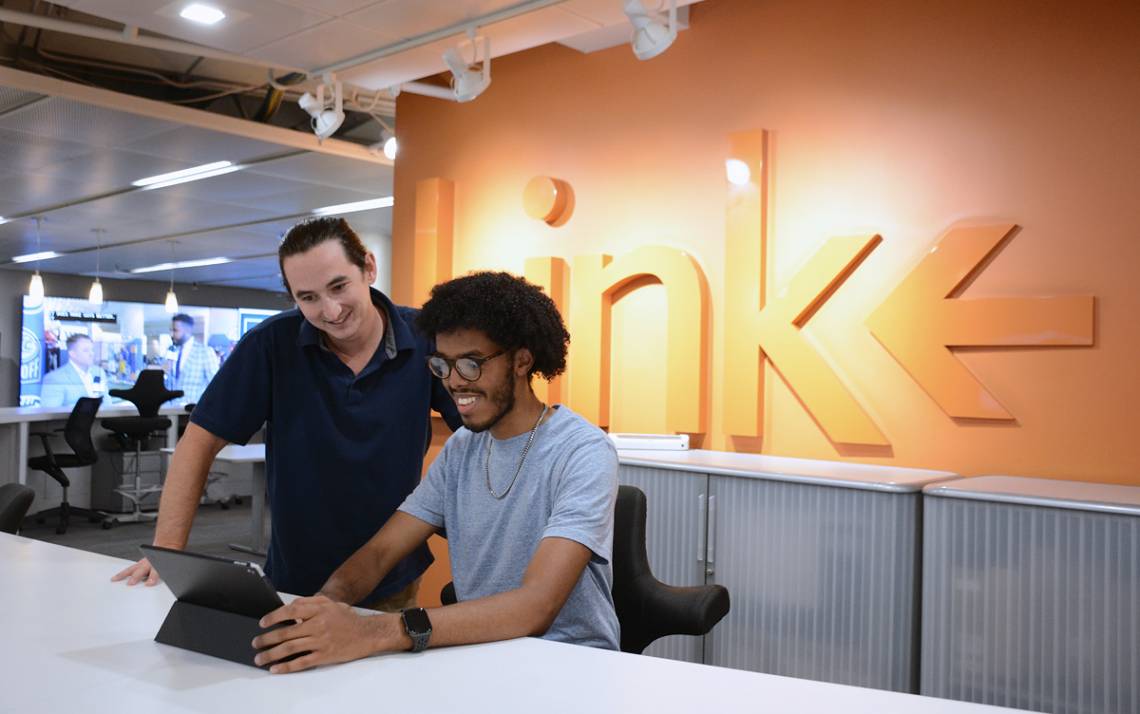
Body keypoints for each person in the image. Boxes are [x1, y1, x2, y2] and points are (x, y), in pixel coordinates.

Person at [251, 272, 620, 674]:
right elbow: (379, 554)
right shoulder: (462, 449)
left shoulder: (582, 451)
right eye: (442, 365)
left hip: (574, 664)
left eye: (471, 364)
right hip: (485, 657)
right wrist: (324, 604)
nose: (455, 381)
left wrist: (373, 632)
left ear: (522, 360)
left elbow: (535, 605)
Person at [113, 217, 462, 613]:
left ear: (368, 267)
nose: (330, 311)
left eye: (338, 286)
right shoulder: (270, 346)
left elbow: (479, 434)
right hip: (297, 575)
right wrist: (166, 550)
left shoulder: (425, 337)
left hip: (392, 573)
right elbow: (198, 442)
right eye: (308, 297)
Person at [164, 313, 219, 405]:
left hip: (192, 411)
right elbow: (167, 383)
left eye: (175, 330)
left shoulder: (205, 352)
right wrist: (164, 373)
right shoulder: (171, 351)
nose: (172, 334)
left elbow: (215, 385)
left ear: (188, 330)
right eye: (171, 330)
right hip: (170, 410)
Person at [40, 334, 107, 407]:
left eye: (92, 350)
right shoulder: (54, 378)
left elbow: (106, 401)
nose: (91, 354)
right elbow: (50, 413)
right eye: (86, 350)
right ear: (72, 354)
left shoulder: (98, 372)